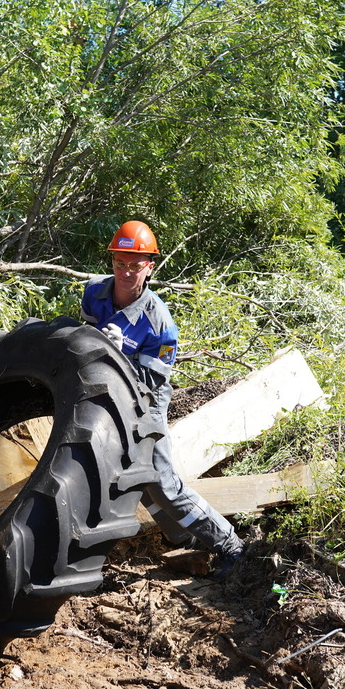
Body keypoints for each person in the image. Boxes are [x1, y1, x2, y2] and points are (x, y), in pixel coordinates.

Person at [80, 220, 244, 577]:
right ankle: (182, 536)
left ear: (149, 266)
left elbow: (153, 381)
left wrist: (120, 355)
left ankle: (230, 544)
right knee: (130, 475)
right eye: (120, 263)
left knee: (161, 479)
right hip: (103, 389)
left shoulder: (160, 324)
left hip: (146, 399)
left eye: (135, 265)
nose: (126, 272)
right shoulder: (93, 293)